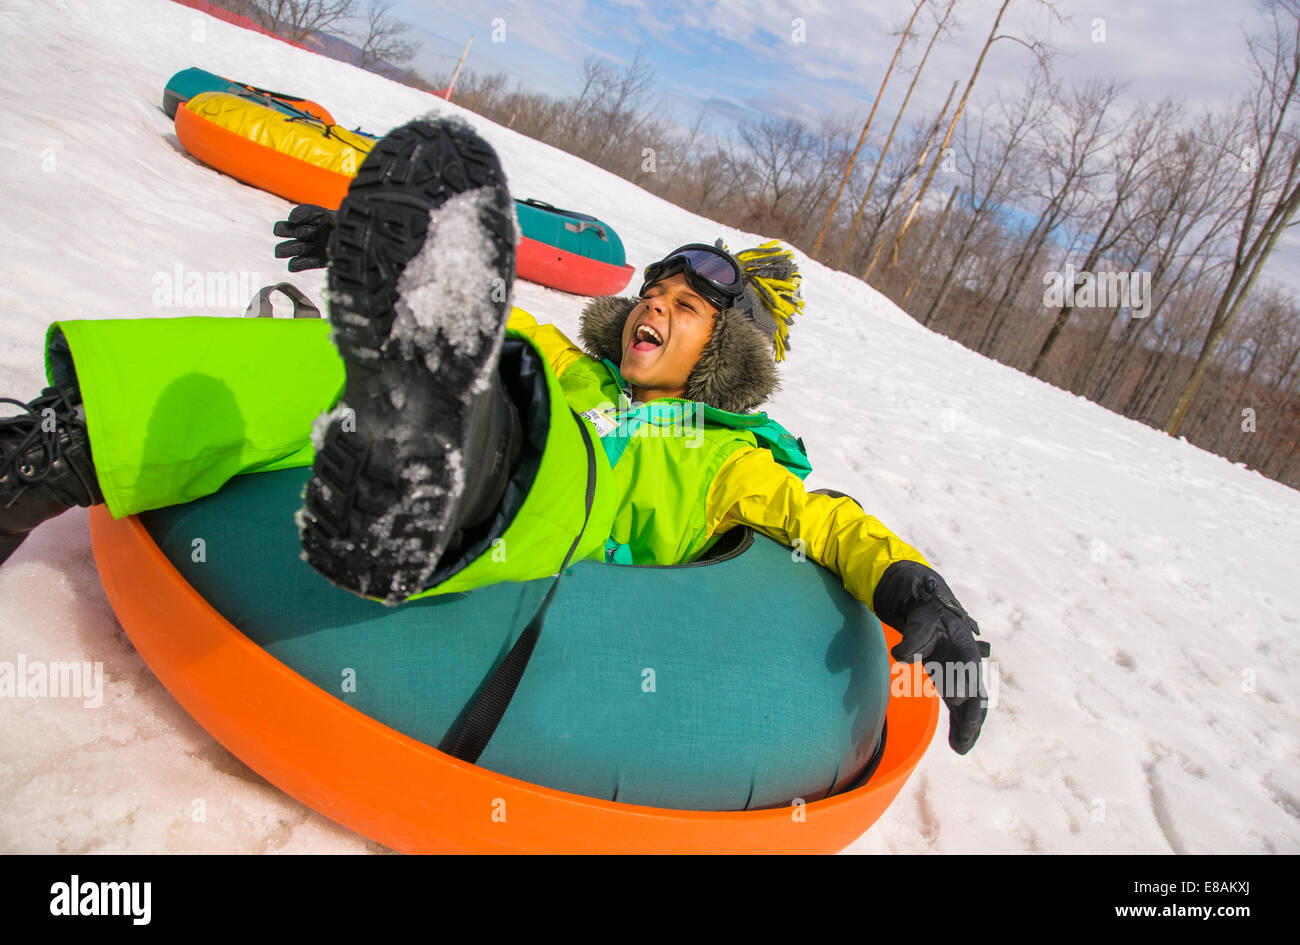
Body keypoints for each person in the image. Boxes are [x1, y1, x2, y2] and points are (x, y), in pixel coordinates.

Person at [0, 115, 990, 754]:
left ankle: (421, 480)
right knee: (445, 354)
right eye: (654, 288)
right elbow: (494, 330)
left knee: (551, 460)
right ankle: (64, 443)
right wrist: (385, 267)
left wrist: (915, 588)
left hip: (547, 527)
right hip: (505, 413)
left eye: (686, 308)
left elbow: (829, 524)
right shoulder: (566, 357)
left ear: (725, 355)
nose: (653, 304)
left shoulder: (729, 458)